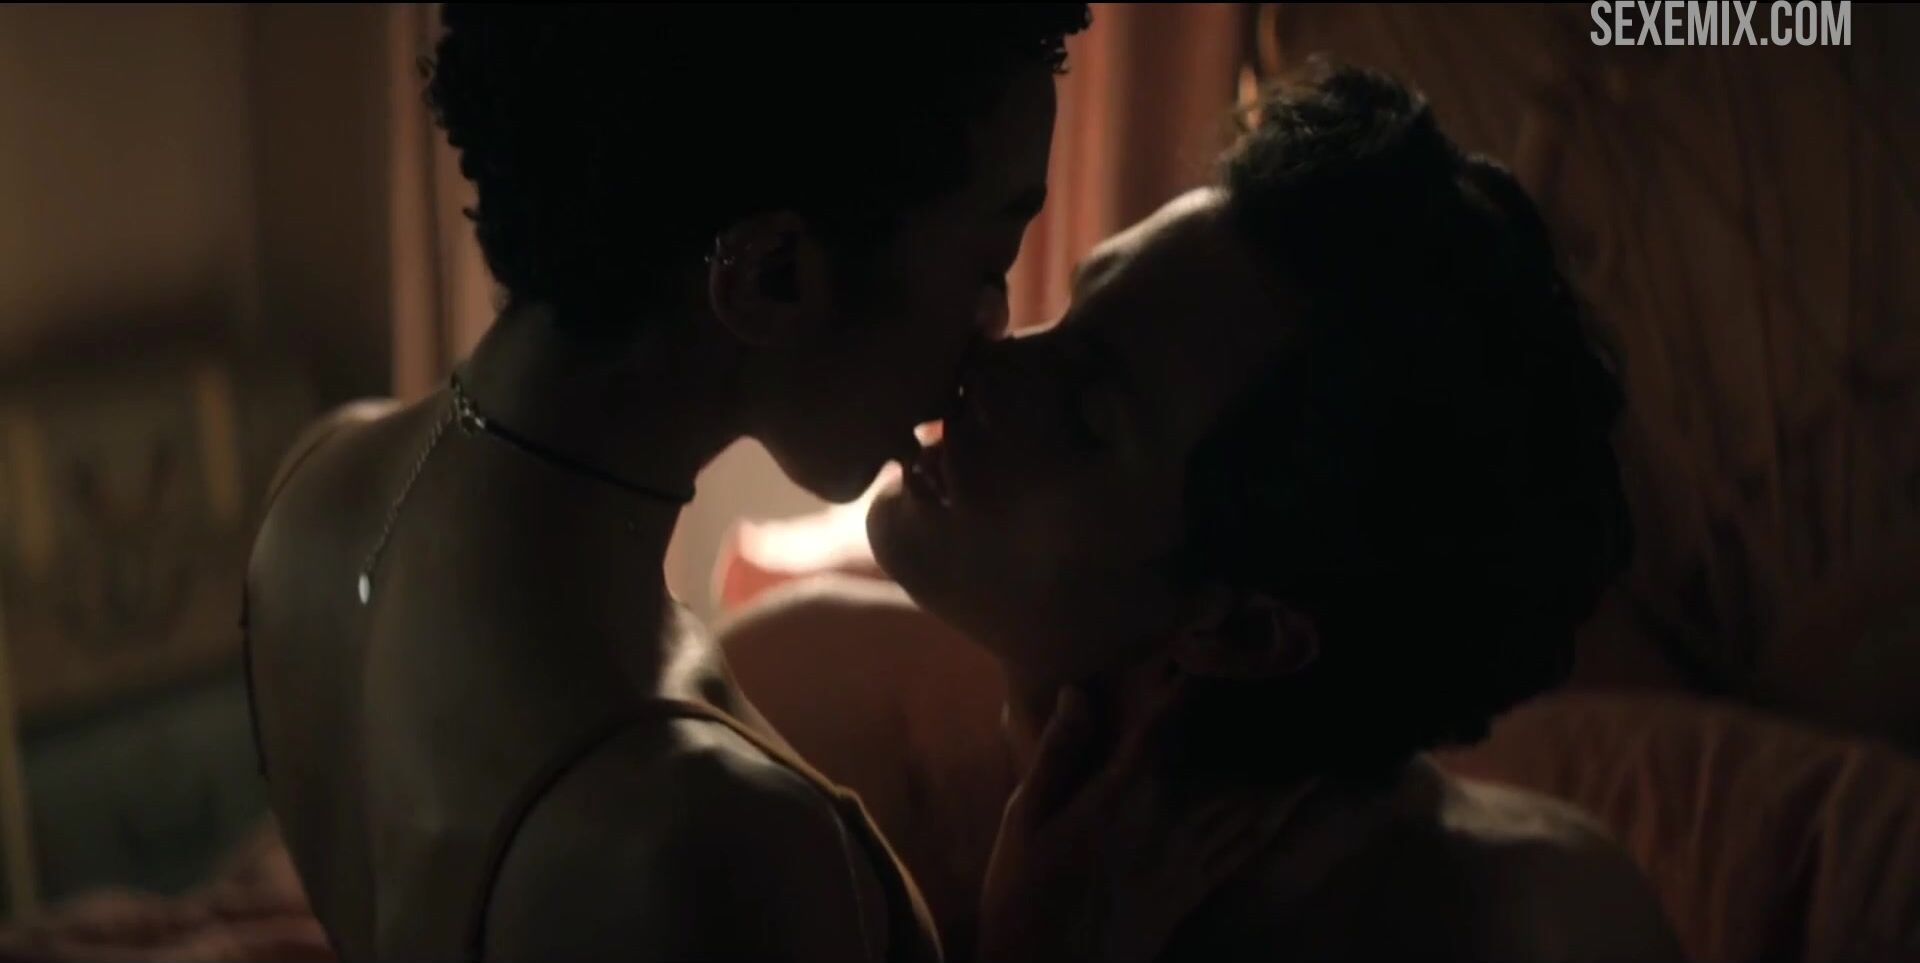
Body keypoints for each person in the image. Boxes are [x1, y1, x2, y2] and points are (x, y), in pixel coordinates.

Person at [242, 5, 1281, 961]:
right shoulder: (710, 845)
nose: (995, 332)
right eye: (987, 264)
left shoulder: (319, 490)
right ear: (771, 274)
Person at [867, 63, 1688, 961]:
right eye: (1069, 309)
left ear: (1243, 631)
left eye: (1089, 416)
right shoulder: (846, 708)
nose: (992, 361)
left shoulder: (1511, 928)